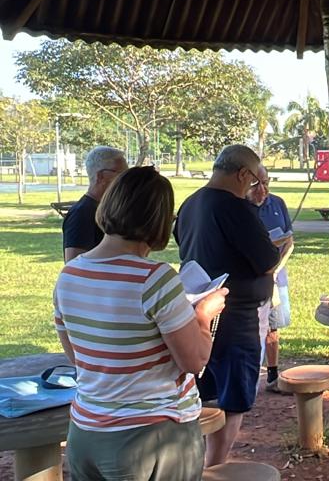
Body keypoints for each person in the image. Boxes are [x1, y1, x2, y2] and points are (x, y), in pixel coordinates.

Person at [53, 166, 227, 480]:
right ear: (159, 221)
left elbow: (78, 358)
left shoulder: (69, 276)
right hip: (152, 435)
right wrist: (202, 316)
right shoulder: (156, 278)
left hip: (85, 433)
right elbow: (193, 361)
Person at [174, 145, 287, 466]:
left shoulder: (191, 202)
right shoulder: (235, 207)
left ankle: (204, 461)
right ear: (242, 174)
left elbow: (182, 242)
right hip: (238, 315)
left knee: (206, 391)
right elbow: (265, 259)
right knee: (234, 397)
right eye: (253, 180)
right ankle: (216, 466)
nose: (253, 187)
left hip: (197, 309)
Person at [246, 165, 295, 393]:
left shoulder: (277, 204)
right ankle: (249, 378)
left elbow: (289, 241)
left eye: (267, 183)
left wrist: (275, 271)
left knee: (273, 326)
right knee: (251, 327)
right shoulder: (239, 208)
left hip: (276, 276)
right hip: (249, 279)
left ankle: (273, 375)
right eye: (257, 184)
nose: (263, 190)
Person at [62, 146, 128, 262]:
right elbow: (74, 265)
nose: (126, 179)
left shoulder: (105, 208)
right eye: (121, 174)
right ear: (101, 176)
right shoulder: (82, 213)